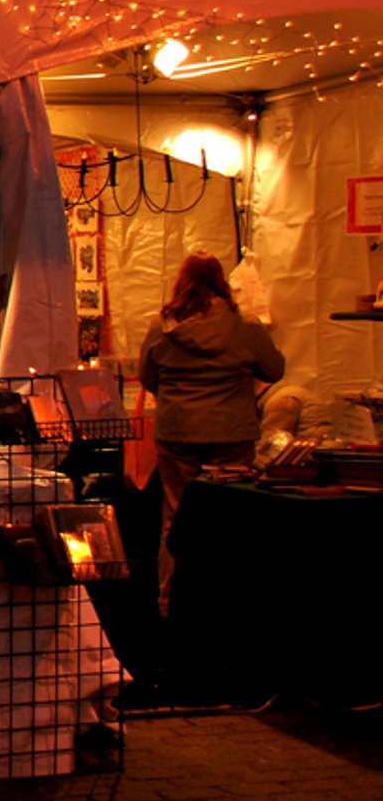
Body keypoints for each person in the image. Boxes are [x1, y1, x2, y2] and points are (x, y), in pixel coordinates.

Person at [140, 251, 284, 617]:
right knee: (229, 516)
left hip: (177, 432)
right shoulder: (246, 326)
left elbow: (147, 376)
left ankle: (170, 603)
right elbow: (274, 370)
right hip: (231, 434)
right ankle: (228, 602)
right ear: (222, 281)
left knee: (175, 516)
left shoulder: (162, 327)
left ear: (181, 281)